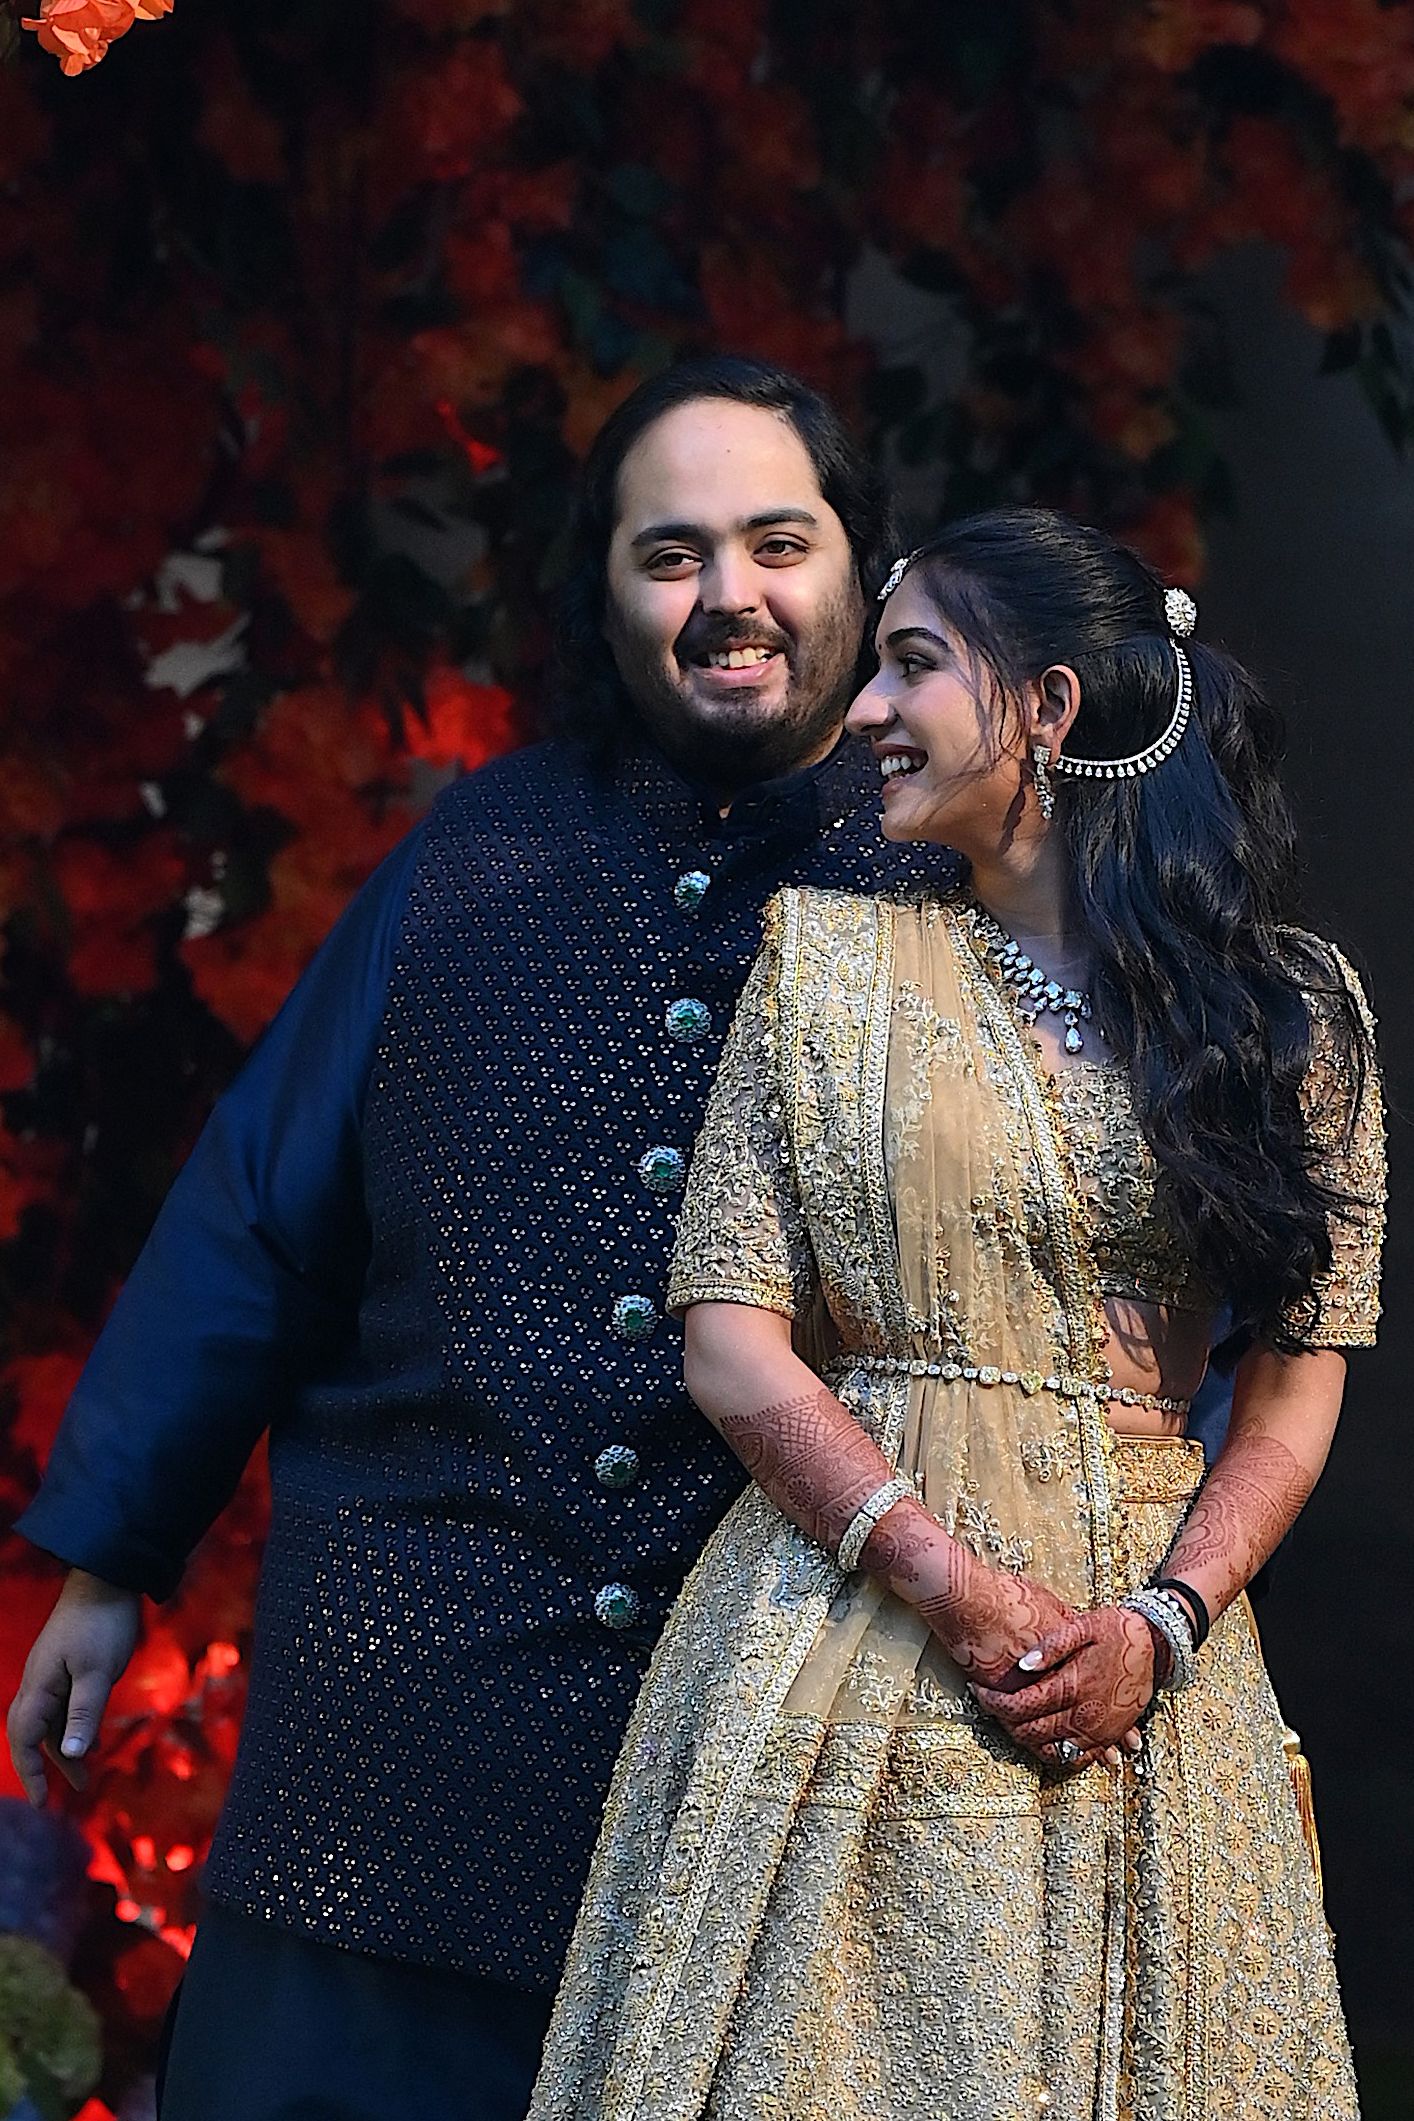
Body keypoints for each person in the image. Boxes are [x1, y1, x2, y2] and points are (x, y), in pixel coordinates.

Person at [5, 356, 944, 2121]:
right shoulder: (475, 854)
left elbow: (1111, 1289)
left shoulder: (953, 881)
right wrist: (108, 1554)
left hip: (769, 1758)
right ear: (601, 594)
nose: (727, 596)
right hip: (389, 1735)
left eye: (775, 542)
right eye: (669, 556)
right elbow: (253, 1214)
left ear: (860, 571)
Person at [528, 509, 1384, 2120]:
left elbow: (1289, 1387)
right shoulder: (827, 964)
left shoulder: (1286, 1013)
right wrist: (942, 1574)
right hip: (838, 1632)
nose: (860, 713)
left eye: (910, 665)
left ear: (1047, 707)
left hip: (1148, 1668)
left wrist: (1162, 1621)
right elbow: (727, 1334)